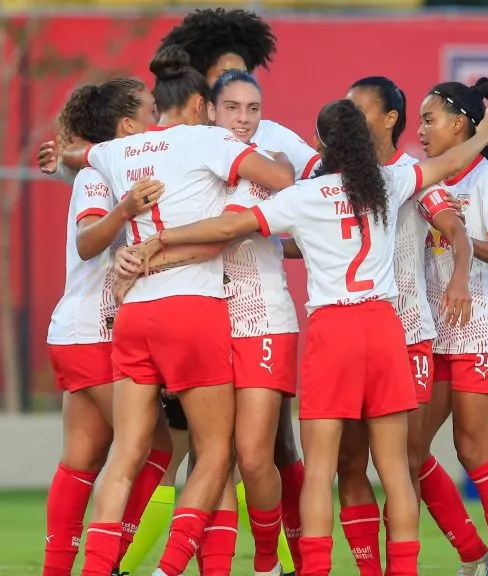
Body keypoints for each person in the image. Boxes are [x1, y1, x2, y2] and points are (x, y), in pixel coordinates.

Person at [124, 98, 488, 576]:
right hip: (385, 329)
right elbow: (447, 164)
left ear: (321, 143)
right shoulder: (387, 183)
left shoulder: (305, 197)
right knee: (396, 473)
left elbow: (228, 225)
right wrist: (482, 138)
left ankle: (316, 569)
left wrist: (162, 238)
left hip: (333, 331)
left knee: (319, 471)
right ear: (367, 142)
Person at [59, 45, 295, 576]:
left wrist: (63, 157)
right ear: (196, 104)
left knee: (126, 455)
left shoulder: (119, 152)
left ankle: (96, 568)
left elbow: (81, 155)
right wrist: (278, 158)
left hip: (135, 309)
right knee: (214, 454)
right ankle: (169, 568)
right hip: (193, 307)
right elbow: (279, 181)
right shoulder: (207, 140)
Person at [116, 69, 306, 576]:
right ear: (209, 112)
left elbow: (222, 235)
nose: (243, 119)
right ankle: (200, 566)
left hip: (262, 317)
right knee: (210, 456)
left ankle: (268, 562)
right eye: (232, 108)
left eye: (253, 109)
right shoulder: (202, 162)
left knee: (251, 456)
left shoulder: (265, 168)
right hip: (212, 318)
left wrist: (150, 255)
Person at [333, 77, 474, 576]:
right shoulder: (329, 173)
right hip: (347, 337)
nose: (350, 118)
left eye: (360, 110)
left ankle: (420, 565)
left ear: (391, 118)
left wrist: (459, 279)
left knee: (405, 463)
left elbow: (456, 231)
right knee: (348, 464)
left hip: (407, 334)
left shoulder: (412, 176)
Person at [40, 77, 171, 576]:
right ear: (127, 125)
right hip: (94, 332)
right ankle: (107, 562)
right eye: (150, 111)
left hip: (75, 331)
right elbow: (87, 241)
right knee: (155, 448)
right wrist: (124, 209)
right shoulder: (102, 177)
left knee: (82, 457)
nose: (157, 122)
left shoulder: (103, 170)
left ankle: (58, 569)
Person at [415, 77, 488, 576]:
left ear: (460, 123)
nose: (420, 129)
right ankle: (474, 556)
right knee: (410, 451)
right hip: (436, 333)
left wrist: (458, 236)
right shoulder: (426, 179)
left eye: (428, 118)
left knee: (472, 450)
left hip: (482, 329)